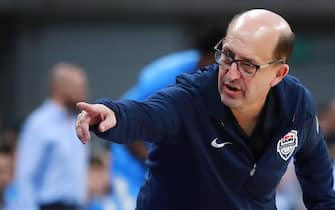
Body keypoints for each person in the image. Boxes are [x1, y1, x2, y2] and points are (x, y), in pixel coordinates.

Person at [75, 9, 335, 210]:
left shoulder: (295, 105)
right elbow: (149, 113)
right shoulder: (191, 97)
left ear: (278, 74)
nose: (231, 74)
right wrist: (113, 114)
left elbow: (315, 164)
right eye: (228, 56)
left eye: (248, 66)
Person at [110, 26, 222, 210]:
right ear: (207, 56)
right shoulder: (164, 74)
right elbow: (125, 122)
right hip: (131, 170)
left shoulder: (223, 83)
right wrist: (159, 162)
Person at [11, 63, 89, 210]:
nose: (84, 93)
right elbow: (26, 176)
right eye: (78, 87)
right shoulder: (39, 124)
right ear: (59, 88)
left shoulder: (76, 122)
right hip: (50, 206)